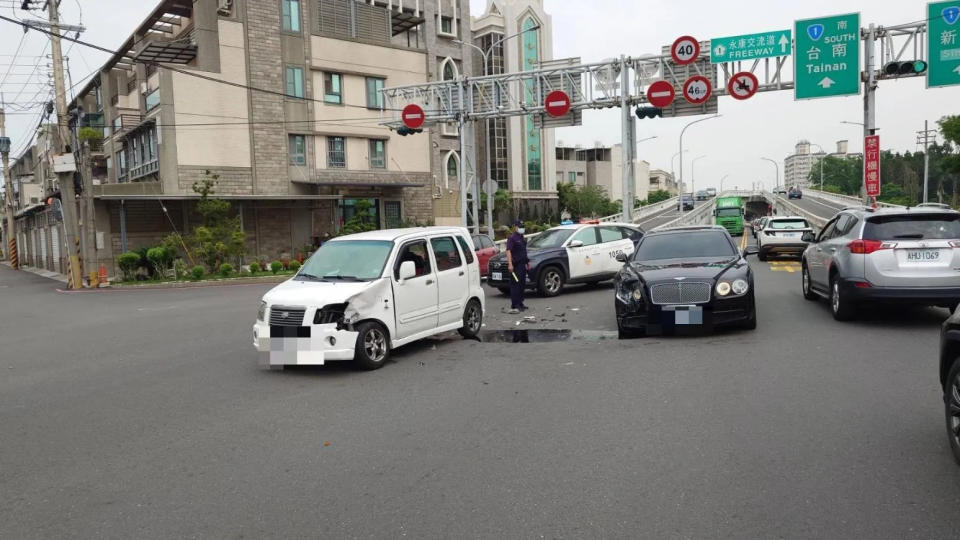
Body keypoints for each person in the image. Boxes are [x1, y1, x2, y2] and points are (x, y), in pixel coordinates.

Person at [506, 220, 529, 314]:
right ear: (515, 227)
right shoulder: (512, 238)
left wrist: (527, 261)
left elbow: (523, 251)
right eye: (520, 226)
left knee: (522, 285)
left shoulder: (522, 237)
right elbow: (508, 251)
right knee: (516, 285)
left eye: (522, 226)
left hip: (522, 264)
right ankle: (515, 305)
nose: (522, 228)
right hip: (515, 266)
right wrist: (510, 264)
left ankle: (521, 303)